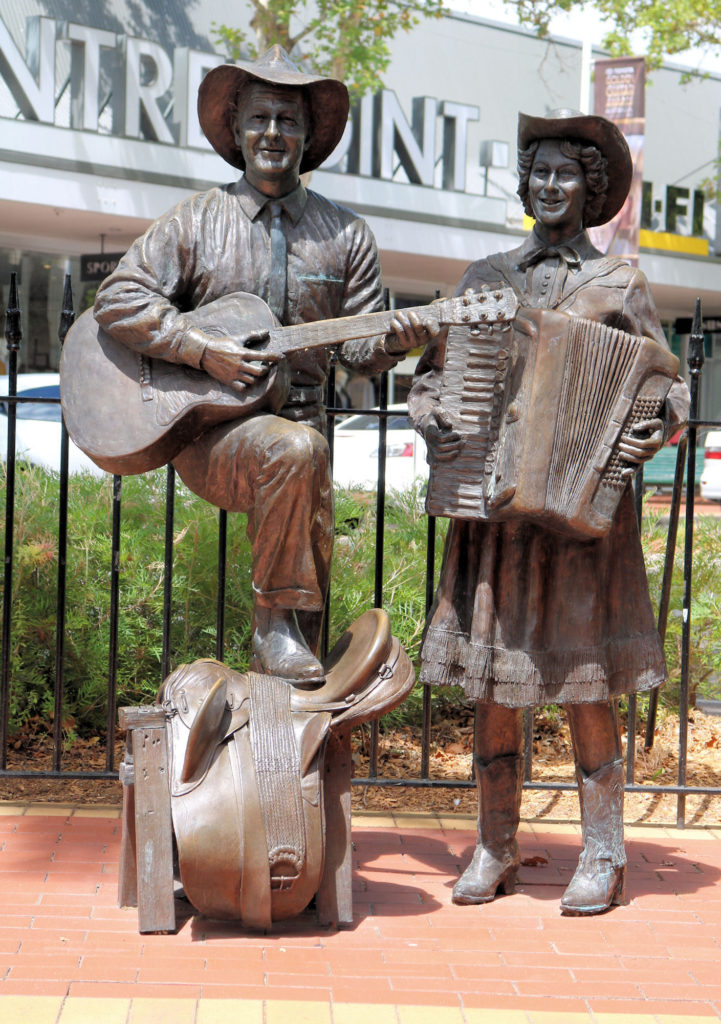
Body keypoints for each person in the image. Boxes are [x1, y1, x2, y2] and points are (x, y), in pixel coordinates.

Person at [408, 109, 690, 916]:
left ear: (590, 189)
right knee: (495, 684)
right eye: (538, 172)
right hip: (492, 512)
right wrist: (432, 416)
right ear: (524, 182)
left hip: (578, 523)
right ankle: (494, 846)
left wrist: (645, 430)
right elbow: (430, 376)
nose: (550, 185)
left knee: (579, 681)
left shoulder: (618, 283)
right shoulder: (484, 276)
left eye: (566, 174)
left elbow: (664, 385)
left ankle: (603, 853)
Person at [94, 46, 432, 684]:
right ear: (237, 129)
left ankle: (289, 752)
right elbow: (116, 299)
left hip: (307, 439)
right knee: (294, 452)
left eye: (288, 120)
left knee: (305, 483)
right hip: (208, 431)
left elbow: (361, 355)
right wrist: (201, 349)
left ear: (309, 137)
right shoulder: (196, 220)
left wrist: (398, 340)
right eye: (259, 118)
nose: (273, 133)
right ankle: (270, 626)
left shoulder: (346, 235)